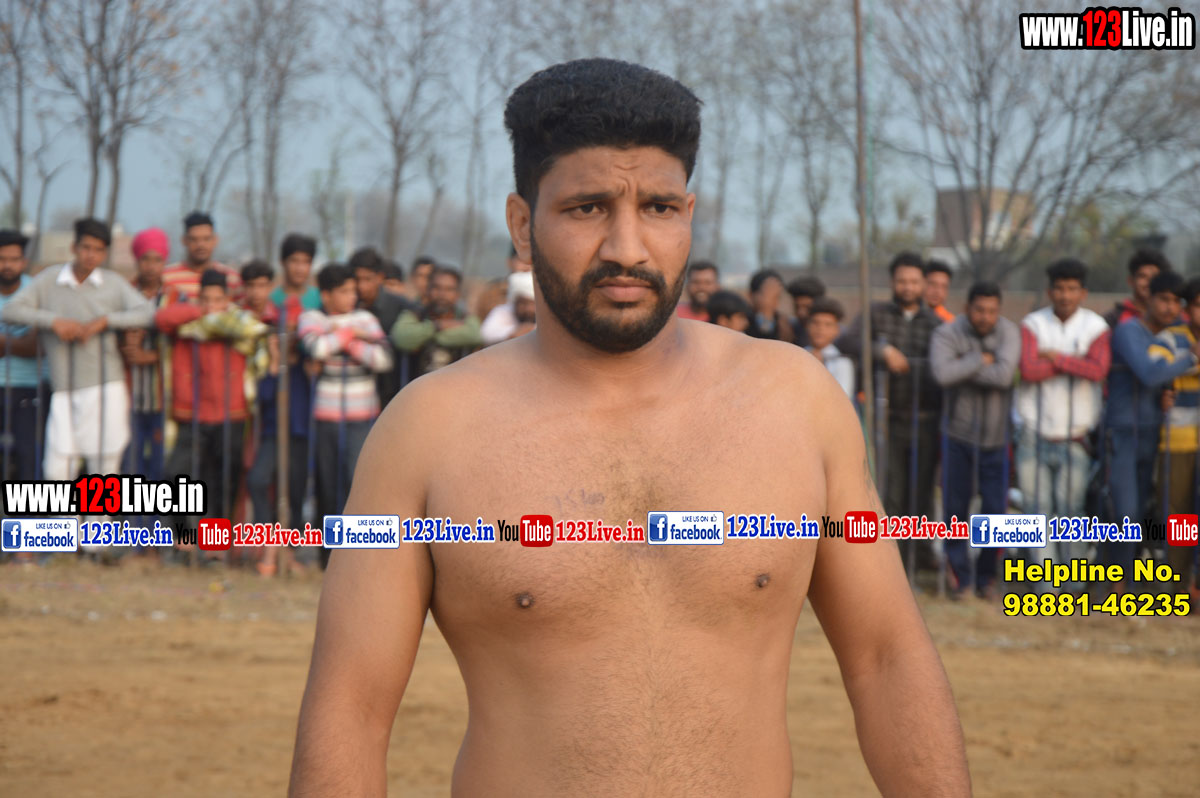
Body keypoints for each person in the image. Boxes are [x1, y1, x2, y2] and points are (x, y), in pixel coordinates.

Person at [290, 57, 969, 797]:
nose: (627, 247)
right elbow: (352, 709)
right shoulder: (428, 429)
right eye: (587, 208)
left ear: (689, 215)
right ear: (522, 225)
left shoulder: (796, 400)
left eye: (659, 207)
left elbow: (886, 659)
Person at [2, 219, 154, 481]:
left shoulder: (113, 283)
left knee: (104, 470)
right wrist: (53, 322)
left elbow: (148, 314)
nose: (90, 255)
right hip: (63, 389)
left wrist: (105, 321)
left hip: (106, 388)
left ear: (105, 253)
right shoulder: (50, 280)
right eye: (86, 247)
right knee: (56, 471)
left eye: (98, 249)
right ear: (74, 247)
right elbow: (10, 311)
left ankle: (98, 511)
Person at [837, 252, 943, 572]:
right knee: (890, 491)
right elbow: (847, 340)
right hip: (887, 419)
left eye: (914, 281)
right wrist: (881, 350)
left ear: (923, 283)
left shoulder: (936, 324)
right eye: (902, 281)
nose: (908, 287)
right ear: (893, 282)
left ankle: (917, 558)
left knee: (921, 492)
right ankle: (890, 564)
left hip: (926, 419)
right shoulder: (876, 314)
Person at [1016, 259, 1110, 593]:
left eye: (1072, 289)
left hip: (1076, 434)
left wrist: (1054, 357)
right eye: (1059, 288)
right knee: (1036, 510)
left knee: (1071, 511)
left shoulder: (1096, 327)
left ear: (1083, 292)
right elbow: (1028, 369)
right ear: (1049, 291)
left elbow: (1097, 370)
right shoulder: (1032, 324)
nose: (1065, 295)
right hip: (1033, 429)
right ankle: (1047, 586)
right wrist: (1074, 362)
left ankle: (1072, 585)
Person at [1103, 271, 1200, 586]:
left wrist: (1169, 393)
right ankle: (1118, 584)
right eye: (1164, 299)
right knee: (1125, 513)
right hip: (1124, 432)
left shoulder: (1175, 335)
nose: (1170, 307)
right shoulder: (1130, 331)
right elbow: (1148, 373)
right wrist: (1190, 359)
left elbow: (1165, 381)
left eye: (1176, 302)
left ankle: (1136, 584)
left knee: (1146, 514)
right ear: (1149, 299)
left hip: (1155, 434)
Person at [930, 281, 1019, 600]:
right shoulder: (947, 333)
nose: (985, 317)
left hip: (997, 438)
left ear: (999, 311)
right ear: (968, 308)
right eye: (979, 310)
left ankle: (986, 578)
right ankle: (961, 578)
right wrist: (980, 359)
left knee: (996, 511)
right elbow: (942, 374)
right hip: (957, 435)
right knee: (955, 510)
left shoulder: (1009, 332)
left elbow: (1005, 376)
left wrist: (962, 366)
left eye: (992, 311)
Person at [297, 264, 392, 564]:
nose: (352, 296)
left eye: (353, 290)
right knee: (327, 484)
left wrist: (343, 339)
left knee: (357, 482)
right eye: (344, 291)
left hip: (362, 415)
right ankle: (329, 555)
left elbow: (382, 359)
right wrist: (354, 336)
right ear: (326, 295)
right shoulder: (312, 318)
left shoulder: (367, 318)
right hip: (325, 415)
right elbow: (316, 348)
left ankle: (355, 555)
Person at [157, 269, 269, 521]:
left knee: (225, 480)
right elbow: (162, 319)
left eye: (218, 300)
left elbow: (257, 332)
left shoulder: (238, 323)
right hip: (192, 412)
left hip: (232, 412)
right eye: (205, 299)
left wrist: (214, 317)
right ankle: (184, 536)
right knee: (178, 473)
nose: (211, 306)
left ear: (227, 300)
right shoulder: (190, 322)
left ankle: (217, 538)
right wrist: (200, 312)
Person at [242, 260, 312, 575]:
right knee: (258, 480)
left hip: (300, 433)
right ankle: (269, 543)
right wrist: (273, 361)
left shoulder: (306, 364)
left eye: (292, 330)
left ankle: (288, 552)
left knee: (295, 491)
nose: (287, 336)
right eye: (284, 330)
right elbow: (265, 396)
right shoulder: (274, 364)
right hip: (273, 432)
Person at [1159, 276, 1200, 600]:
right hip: (1178, 441)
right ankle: (1177, 590)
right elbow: (1158, 370)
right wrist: (1192, 359)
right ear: (1188, 308)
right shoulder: (1171, 338)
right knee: (1180, 517)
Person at [120, 227, 170, 480]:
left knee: (161, 465)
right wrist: (127, 346)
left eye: (157, 260)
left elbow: (180, 343)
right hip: (128, 395)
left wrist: (150, 356)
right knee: (130, 464)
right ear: (136, 260)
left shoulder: (174, 297)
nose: (151, 266)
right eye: (145, 259)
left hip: (163, 397)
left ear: (164, 262)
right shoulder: (122, 294)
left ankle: (158, 508)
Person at [0, 229, 44, 480]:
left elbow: (37, 346)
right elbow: (26, 343)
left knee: (30, 458)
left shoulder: (36, 291)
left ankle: (29, 507)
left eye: (14, 259)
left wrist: (3, 343)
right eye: (2, 259)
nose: (7, 265)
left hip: (30, 388)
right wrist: (18, 341)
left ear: (23, 261)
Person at [389, 265, 482, 376]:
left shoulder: (465, 318)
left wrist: (422, 336)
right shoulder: (415, 315)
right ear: (428, 289)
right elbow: (401, 337)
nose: (442, 294)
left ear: (457, 294)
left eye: (449, 289)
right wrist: (436, 326)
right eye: (437, 288)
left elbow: (475, 335)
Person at [350, 246, 414, 404]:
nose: (361, 286)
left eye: (367, 279)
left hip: (395, 388)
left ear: (380, 277)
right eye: (357, 279)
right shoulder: (348, 305)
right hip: (358, 392)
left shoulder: (400, 305)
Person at [162, 211, 242, 303]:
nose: (200, 245)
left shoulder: (231, 279)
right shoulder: (166, 278)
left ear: (215, 240)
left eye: (206, 239)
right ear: (184, 240)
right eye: (194, 239)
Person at [1104, 249, 1170, 329]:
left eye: (1154, 277)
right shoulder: (1113, 319)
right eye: (1143, 276)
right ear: (1130, 281)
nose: (1149, 282)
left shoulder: (1170, 317)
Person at [804, 296, 854, 399]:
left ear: (837, 330)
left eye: (828, 325)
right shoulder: (798, 355)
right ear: (807, 326)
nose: (820, 329)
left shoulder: (842, 362)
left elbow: (842, 397)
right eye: (815, 323)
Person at [270, 233, 322, 317]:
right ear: (282, 262)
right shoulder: (271, 301)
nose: (300, 269)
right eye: (294, 261)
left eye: (306, 262)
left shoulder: (321, 299)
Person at [481, 271, 537, 345]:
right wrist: (513, 332)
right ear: (515, 301)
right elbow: (486, 334)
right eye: (523, 303)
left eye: (532, 304)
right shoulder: (502, 310)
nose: (528, 309)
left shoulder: (544, 313)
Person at [745, 268, 793, 342]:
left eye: (776, 296)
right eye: (767, 293)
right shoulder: (743, 320)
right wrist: (766, 312)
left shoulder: (783, 323)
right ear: (751, 295)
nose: (772, 301)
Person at [787, 274, 825, 347]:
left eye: (807, 307)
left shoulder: (838, 336)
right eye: (797, 307)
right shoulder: (789, 328)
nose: (800, 312)